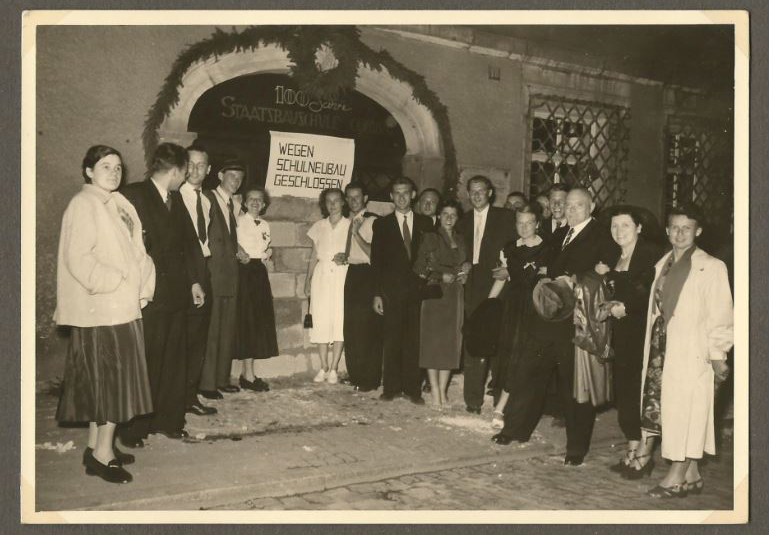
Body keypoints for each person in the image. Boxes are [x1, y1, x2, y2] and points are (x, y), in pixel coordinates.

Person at [55, 145, 155, 483]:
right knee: (111, 383)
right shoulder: (84, 204)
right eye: (105, 166)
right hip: (103, 310)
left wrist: (142, 284)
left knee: (108, 381)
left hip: (122, 307)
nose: (114, 172)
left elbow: (137, 249)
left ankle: (98, 446)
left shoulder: (118, 203)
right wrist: (116, 280)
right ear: (88, 172)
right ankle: (102, 455)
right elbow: (78, 258)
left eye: (118, 167)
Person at [492, 187, 613, 467]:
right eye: (568, 206)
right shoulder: (559, 234)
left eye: (578, 206)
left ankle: (576, 447)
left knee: (574, 387)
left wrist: (577, 277)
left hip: (574, 324)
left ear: (591, 207)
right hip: (546, 318)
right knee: (527, 374)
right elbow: (543, 266)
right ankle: (515, 429)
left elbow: (606, 273)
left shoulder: (601, 237)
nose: (570, 211)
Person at [629, 204, 733, 498]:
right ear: (667, 230)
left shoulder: (711, 266)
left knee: (688, 412)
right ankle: (691, 474)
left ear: (698, 231)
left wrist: (718, 355)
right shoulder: (663, 263)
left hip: (693, 351)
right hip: (663, 349)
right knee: (669, 411)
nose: (680, 233)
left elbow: (722, 315)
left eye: (687, 228)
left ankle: (675, 475)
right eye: (674, 227)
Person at [119, 142, 203, 447]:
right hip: (149, 295)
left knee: (173, 360)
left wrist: (195, 281)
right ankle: (133, 429)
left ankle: (168, 420)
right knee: (146, 361)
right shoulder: (134, 195)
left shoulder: (176, 198)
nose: (186, 177)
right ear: (176, 170)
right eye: (185, 170)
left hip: (176, 294)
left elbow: (189, 243)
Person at [592, 206, 662, 474]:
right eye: (614, 226)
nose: (619, 231)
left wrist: (626, 307)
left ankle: (644, 454)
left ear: (639, 228)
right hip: (622, 334)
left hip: (643, 334)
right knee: (626, 393)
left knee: (642, 392)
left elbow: (649, 294)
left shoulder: (649, 255)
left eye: (625, 226)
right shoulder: (614, 255)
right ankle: (632, 448)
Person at [488, 202, 551, 429]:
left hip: (534, 307)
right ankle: (501, 405)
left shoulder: (547, 248)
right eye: (520, 223)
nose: (524, 227)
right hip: (512, 306)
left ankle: (507, 408)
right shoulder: (509, 247)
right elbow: (501, 278)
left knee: (524, 356)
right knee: (507, 354)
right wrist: (489, 304)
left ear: (537, 223)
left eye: (529, 223)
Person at [371, 177, 435, 404]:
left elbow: (432, 256)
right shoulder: (381, 224)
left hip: (417, 291)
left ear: (413, 194)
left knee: (414, 340)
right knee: (392, 339)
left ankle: (413, 389)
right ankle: (391, 387)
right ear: (391, 196)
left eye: (405, 192)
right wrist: (377, 293)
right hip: (391, 292)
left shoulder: (427, 223)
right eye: (396, 193)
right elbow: (376, 261)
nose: (401, 197)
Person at [460, 175, 516, 414]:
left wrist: (508, 269)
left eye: (481, 191)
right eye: (472, 191)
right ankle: (472, 400)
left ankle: (498, 399)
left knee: (498, 339)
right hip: (471, 282)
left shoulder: (506, 218)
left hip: (497, 282)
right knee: (473, 338)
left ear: (490, 193)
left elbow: (519, 247)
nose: (477, 195)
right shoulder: (462, 220)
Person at [413, 199, 470, 408]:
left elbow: (465, 262)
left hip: (455, 294)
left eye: (453, 215)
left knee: (451, 343)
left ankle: (443, 390)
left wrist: (466, 270)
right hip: (435, 294)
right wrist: (439, 275)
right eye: (445, 213)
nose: (448, 218)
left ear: (457, 218)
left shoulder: (461, 239)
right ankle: (434, 390)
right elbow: (419, 267)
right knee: (433, 342)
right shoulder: (430, 238)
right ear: (438, 216)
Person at [198, 159, 247, 399]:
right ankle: (206, 383)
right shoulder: (207, 198)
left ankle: (221, 378)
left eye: (239, 178)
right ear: (219, 175)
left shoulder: (232, 205)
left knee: (227, 327)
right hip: (214, 272)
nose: (236, 182)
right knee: (213, 328)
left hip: (230, 273)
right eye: (231, 177)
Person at [179, 144, 217, 416]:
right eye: (190, 164)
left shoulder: (205, 200)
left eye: (200, 165)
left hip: (203, 268)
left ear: (209, 170)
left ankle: (188, 396)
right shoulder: (175, 196)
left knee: (197, 338)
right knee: (179, 338)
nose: (195, 170)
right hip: (181, 272)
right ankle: (172, 399)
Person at [305, 188, 350, 384]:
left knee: (339, 320)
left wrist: (347, 258)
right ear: (324, 205)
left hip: (342, 276)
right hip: (321, 277)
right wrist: (308, 281)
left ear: (343, 203)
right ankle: (323, 366)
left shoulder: (351, 225)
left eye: (336, 200)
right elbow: (312, 257)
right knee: (321, 319)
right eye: (328, 201)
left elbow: (356, 253)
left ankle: (334, 368)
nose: (332, 204)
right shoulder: (318, 226)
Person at [235, 188, 278, 391]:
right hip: (244, 272)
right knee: (247, 321)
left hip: (258, 273)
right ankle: (248, 375)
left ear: (263, 205)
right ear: (244, 202)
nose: (255, 202)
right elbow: (233, 244)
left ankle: (247, 373)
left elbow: (264, 248)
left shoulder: (266, 224)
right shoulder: (237, 221)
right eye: (251, 198)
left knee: (257, 321)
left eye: (259, 200)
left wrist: (268, 256)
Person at [342, 182, 382, 392]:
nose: (353, 201)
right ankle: (355, 374)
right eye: (349, 197)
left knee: (368, 327)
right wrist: (344, 256)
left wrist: (357, 235)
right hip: (352, 273)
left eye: (357, 196)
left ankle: (370, 378)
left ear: (365, 198)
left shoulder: (373, 221)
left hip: (368, 274)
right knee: (351, 326)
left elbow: (375, 254)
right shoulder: (346, 220)